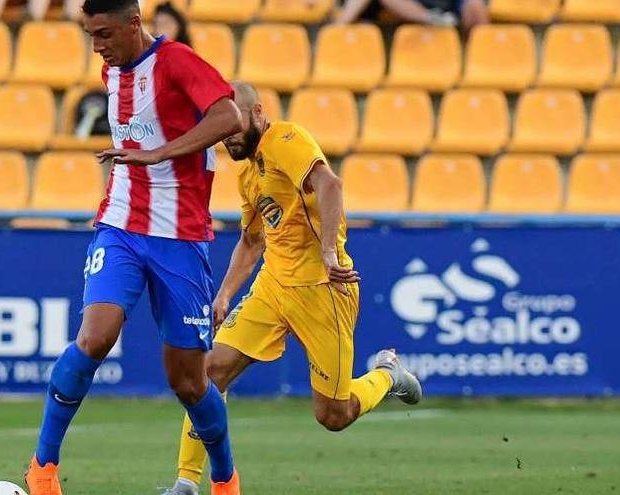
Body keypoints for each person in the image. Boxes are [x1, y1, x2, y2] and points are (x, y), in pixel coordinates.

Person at [23, 1, 244, 495]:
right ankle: (42, 469)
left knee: (188, 382)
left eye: (103, 34)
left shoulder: (178, 62)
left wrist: (161, 153)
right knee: (95, 338)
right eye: (90, 36)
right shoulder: (112, 69)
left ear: (134, 24)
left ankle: (226, 479)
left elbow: (229, 116)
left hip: (181, 238)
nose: (97, 46)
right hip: (120, 226)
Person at [160, 82, 423, 495]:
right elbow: (251, 240)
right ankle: (187, 482)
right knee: (209, 372)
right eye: (221, 127)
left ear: (258, 113)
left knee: (334, 415)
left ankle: (387, 375)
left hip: (322, 288)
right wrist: (225, 294)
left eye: (234, 124)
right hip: (273, 284)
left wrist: (329, 253)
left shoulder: (285, 139)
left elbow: (330, 184)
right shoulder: (248, 170)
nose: (227, 135)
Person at [337, 0, 488, 30]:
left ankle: (477, 54)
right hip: (407, 7)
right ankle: (335, 31)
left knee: (475, 5)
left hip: (447, 7)